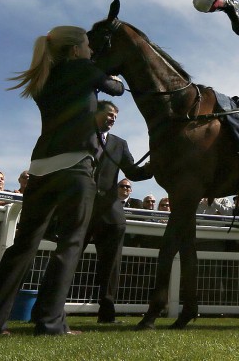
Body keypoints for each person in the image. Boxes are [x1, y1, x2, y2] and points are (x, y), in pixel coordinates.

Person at [0, 25, 124, 337]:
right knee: (69, 243)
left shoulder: (43, 79)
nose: (91, 50)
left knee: (22, 246)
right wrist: (116, 78)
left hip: (40, 169)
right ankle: (50, 322)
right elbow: (116, 89)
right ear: (74, 50)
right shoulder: (84, 69)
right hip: (75, 167)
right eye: (86, 45)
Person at [81, 100, 152, 324]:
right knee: (68, 259)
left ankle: (107, 313)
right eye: (109, 114)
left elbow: (133, 171)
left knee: (111, 266)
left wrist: (155, 163)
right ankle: (48, 308)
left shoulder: (119, 144)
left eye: (115, 117)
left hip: (111, 215)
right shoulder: (79, 135)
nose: (112, 119)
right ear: (96, 113)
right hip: (82, 209)